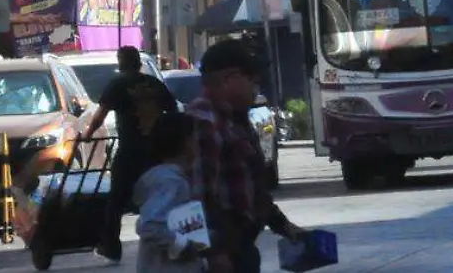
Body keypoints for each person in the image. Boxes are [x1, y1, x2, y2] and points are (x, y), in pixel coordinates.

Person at [187, 40, 303, 273]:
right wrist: (213, 253)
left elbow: (254, 188)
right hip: (221, 252)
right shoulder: (204, 121)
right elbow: (195, 197)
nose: (256, 88)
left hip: (240, 245)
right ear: (229, 79)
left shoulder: (236, 119)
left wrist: (285, 227)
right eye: (252, 80)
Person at [82, 45, 178, 263]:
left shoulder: (118, 85)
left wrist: (88, 133)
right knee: (163, 195)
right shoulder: (154, 84)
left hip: (130, 151)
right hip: (157, 150)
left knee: (116, 200)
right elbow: (173, 111)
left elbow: (100, 115)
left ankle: (112, 247)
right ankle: (173, 238)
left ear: (121, 62)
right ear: (139, 62)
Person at [135, 113, 210, 273]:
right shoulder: (169, 181)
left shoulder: (177, 179)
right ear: (186, 142)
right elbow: (150, 225)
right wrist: (183, 246)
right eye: (195, 138)